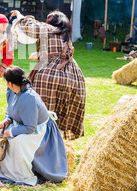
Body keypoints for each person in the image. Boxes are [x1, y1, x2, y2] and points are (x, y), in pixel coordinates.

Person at [11, 10, 86, 140]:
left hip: (51, 75)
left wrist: (20, 16)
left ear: (52, 21)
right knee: (62, 111)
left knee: (42, 109)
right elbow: (57, 52)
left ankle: (41, 139)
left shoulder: (49, 28)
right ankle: (57, 141)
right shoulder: (65, 35)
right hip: (73, 77)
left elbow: (29, 26)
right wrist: (38, 54)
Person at [0, 66, 68, 186]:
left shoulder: (29, 98)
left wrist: (11, 132)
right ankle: (3, 171)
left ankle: (21, 174)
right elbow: (10, 108)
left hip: (38, 130)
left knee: (18, 142)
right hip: (20, 124)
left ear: (10, 83)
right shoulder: (11, 90)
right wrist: (7, 119)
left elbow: (30, 127)